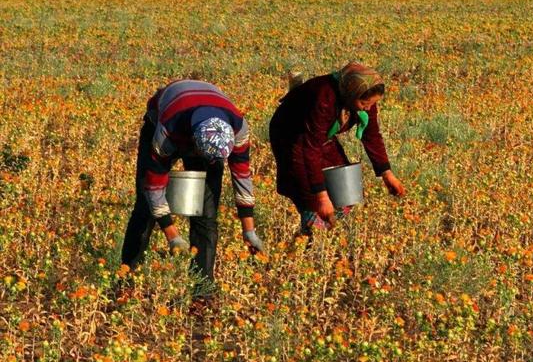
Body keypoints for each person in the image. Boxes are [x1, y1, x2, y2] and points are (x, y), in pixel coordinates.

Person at [121, 79, 263, 281]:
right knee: (145, 207)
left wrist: (249, 231)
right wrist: (173, 236)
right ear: (194, 145)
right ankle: (127, 278)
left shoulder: (238, 128)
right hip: (165, 116)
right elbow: (153, 186)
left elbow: (241, 177)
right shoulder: (168, 131)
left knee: (205, 212)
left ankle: (201, 288)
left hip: (204, 117)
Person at [269, 62, 405, 233]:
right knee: (309, 196)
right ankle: (309, 242)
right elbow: (309, 149)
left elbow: (371, 135)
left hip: (320, 137)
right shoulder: (323, 98)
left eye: (372, 104)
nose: (368, 108)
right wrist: (321, 196)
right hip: (292, 137)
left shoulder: (364, 93)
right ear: (351, 94)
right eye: (364, 104)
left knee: (344, 191)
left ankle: (324, 236)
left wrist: (387, 173)